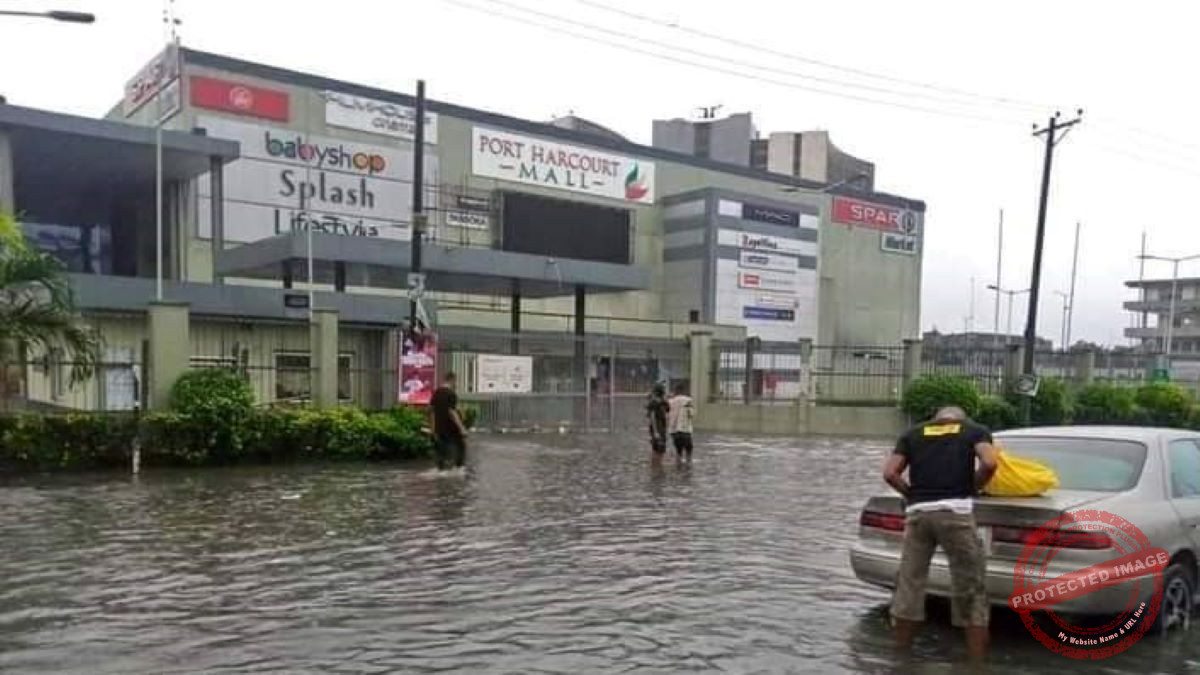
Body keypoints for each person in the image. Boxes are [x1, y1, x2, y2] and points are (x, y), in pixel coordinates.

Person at [882, 405, 999, 660]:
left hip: (918, 516)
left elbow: (890, 473)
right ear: (961, 418)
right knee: (970, 586)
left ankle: (901, 657)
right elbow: (990, 462)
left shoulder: (912, 434)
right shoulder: (974, 431)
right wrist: (972, 487)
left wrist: (911, 494)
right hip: (956, 514)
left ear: (935, 418)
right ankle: (975, 663)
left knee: (909, 584)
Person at [430, 372, 468, 471]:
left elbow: (431, 411)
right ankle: (459, 469)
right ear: (452, 380)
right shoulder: (451, 394)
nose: (456, 384)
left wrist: (433, 429)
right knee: (461, 446)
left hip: (440, 428)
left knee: (441, 450)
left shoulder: (436, 392)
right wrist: (462, 428)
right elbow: (452, 412)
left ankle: (441, 469)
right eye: (456, 382)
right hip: (451, 428)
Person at [667, 382, 695, 462]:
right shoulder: (688, 400)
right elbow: (691, 414)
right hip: (685, 430)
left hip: (674, 431)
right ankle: (687, 470)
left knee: (678, 452)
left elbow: (667, 416)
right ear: (683, 390)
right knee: (688, 452)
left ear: (675, 391)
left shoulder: (670, 401)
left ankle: (678, 468)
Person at [646, 383, 669, 465]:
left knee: (658, 452)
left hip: (660, 431)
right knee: (658, 452)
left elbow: (667, 410)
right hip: (657, 431)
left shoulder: (662, 403)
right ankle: (657, 470)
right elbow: (652, 418)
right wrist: (656, 432)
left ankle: (656, 470)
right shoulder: (654, 403)